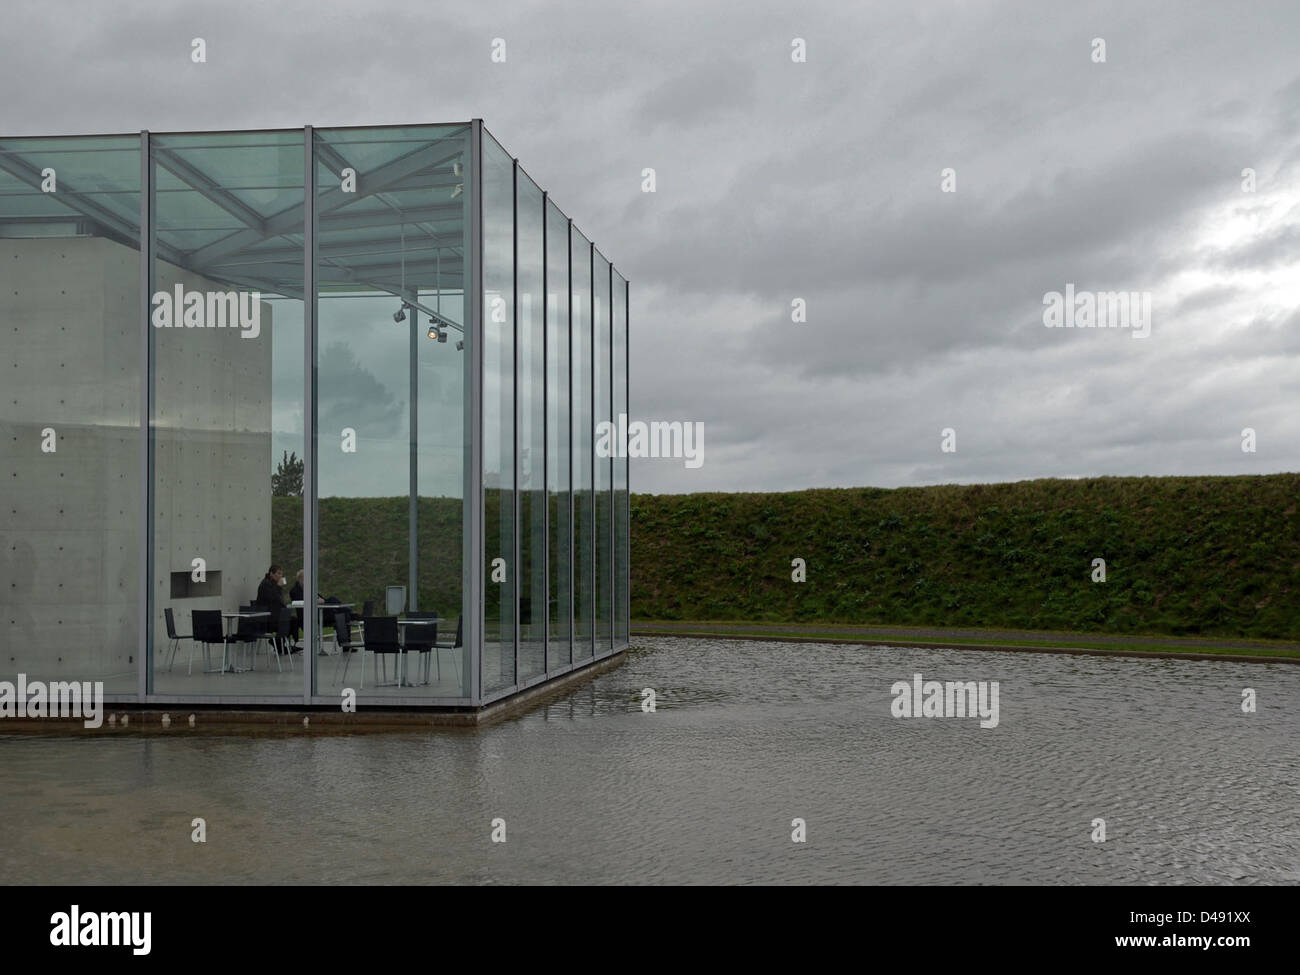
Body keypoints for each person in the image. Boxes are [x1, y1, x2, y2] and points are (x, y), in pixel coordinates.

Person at [255, 565, 294, 654]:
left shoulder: (273, 584)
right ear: (271, 574)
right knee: (289, 621)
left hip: (274, 615)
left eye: (281, 574)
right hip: (266, 619)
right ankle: (278, 644)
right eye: (278, 573)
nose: (280, 576)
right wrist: (279, 587)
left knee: (293, 620)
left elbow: (279, 601)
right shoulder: (265, 584)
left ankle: (279, 643)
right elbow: (274, 598)